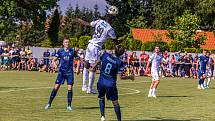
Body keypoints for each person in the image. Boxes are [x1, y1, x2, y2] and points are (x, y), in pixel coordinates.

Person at [76, 6, 121, 94]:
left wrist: (80, 20)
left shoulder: (99, 21)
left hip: (89, 45)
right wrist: (121, 40)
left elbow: (88, 24)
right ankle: (90, 88)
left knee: (86, 65)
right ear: (113, 18)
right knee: (93, 67)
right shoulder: (110, 29)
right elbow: (116, 42)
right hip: (96, 47)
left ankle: (84, 86)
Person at [92, 45, 134, 121]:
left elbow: (98, 61)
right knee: (115, 103)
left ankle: (102, 116)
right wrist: (130, 77)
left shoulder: (105, 55)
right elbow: (120, 77)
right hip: (110, 84)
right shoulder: (119, 62)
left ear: (114, 50)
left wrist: (93, 67)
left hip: (101, 81)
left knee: (101, 98)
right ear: (122, 54)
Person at [45, 38, 80, 111]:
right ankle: (49, 103)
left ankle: (69, 105)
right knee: (56, 87)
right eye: (66, 42)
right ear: (63, 44)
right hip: (61, 72)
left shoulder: (72, 51)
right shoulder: (60, 51)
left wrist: (78, 68)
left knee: (70, 88)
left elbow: (78, 59)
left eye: (68, 42)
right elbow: (54, 59)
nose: (67, 43)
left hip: (69, 72)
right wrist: (54, 63)